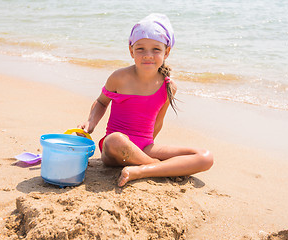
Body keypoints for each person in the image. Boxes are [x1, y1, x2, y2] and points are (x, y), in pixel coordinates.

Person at [78, 13, 213, 187]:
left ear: (167, 52)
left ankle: (141, 169)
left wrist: (141, 151)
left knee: (205, 156)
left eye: (156, 49)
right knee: (114, 139)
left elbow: (158, 122)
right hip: (115, 148)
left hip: (145, 147)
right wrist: (90, 123)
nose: (148, 54)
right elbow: (102, 102)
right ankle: (157, 166)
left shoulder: (168, 86)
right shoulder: (119, 77)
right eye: (140, 48)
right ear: (131, 50)